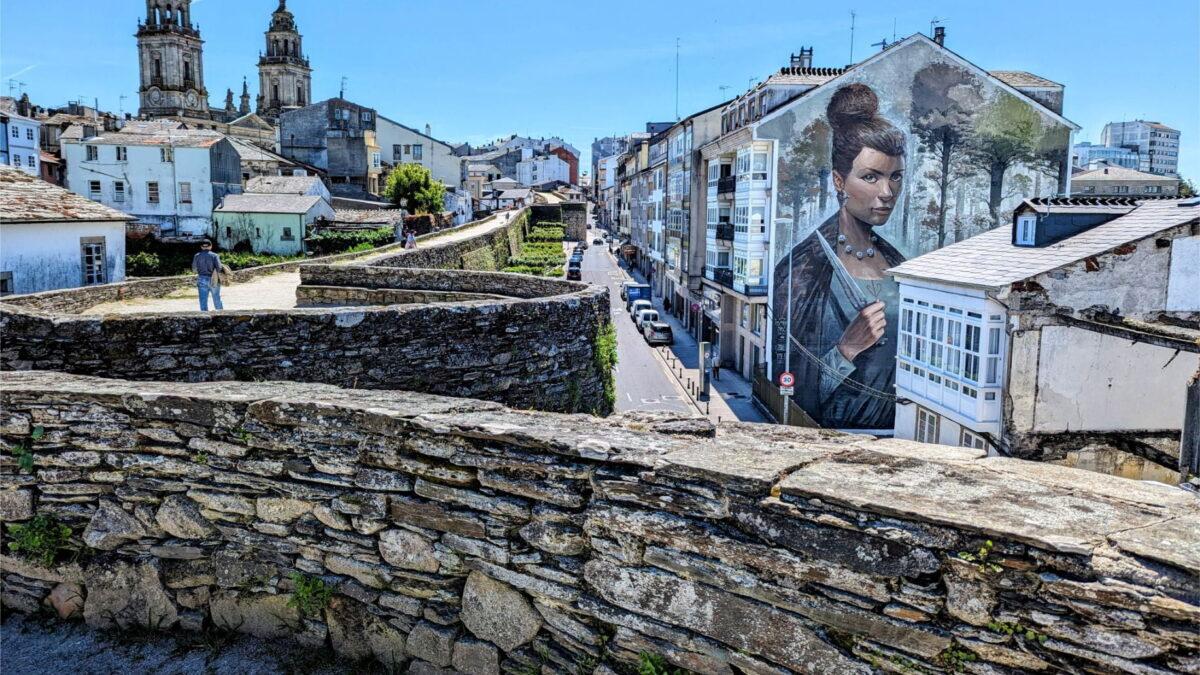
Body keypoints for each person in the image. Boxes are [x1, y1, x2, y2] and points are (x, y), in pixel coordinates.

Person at [775, 83, 907, 429]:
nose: (886, 192)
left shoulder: (901, 266)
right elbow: (790, 385)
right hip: (836, 440)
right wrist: (846, 348)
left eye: (896, 178)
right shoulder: (803, 270)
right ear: (839, 180)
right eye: (870, 177)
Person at [192, 239, 224, 312]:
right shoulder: (215, 255)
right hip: (214, 279)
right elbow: (219, 268)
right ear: (210, 246)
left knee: (203, 300)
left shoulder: (197, 256)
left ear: (201, 247)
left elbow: (194, 269)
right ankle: (220, 316)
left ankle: (204, 317)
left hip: (202, 278)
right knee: (216, 299)